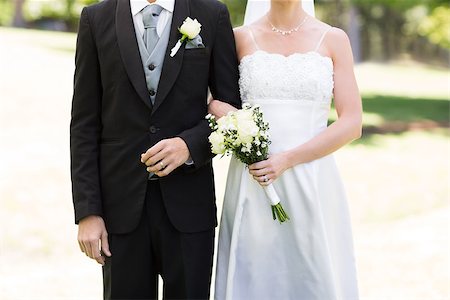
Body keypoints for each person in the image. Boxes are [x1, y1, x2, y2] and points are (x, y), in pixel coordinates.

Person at [70, 0, 240, 299]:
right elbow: (84, 125)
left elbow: (231, 111)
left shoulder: (212, 14)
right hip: (119, 208)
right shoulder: (95, 18)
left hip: (189, 204)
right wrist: (88, 212)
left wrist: (190, 145)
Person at [209, 0, 362, 299]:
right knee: (253, 271)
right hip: (254, 179)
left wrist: (288, 159)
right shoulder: (238, 37)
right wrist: (225, 114)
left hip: (312, 179)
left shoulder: (333, 39)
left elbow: (352, 122)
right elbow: (213, 98)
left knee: (313, 274)